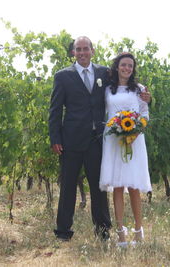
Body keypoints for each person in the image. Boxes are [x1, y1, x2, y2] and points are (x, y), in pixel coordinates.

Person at [49, 36, 111, 241]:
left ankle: (103, 231)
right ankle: (63, 231)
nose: (82, 52)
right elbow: (55, 109)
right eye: (78, 49)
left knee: (99, 188)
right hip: (71, 141)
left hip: (97, 140)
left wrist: (144, 96)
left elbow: (122, 88)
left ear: (93, 50)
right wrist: (55, 138)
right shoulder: (62, 76)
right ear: (73, 53)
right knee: (68, 187)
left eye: (86, 49)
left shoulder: (104, 73)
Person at [99, 52, 152, 247]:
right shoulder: (107, 90)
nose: (127, 68)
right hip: (113, 140)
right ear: (117, 66)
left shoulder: (139, 90)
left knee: (134, 185)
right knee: (118, 186)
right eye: (124, 65)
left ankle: (138, 230)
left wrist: (136, 132)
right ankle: (121, 233)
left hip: (134, 141)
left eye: (130, 65)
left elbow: (145, 113)